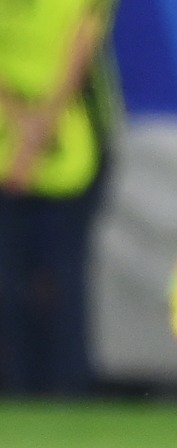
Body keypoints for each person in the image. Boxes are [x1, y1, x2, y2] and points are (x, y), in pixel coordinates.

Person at [0, 0, 121, 397]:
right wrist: (19, 122)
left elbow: (81, 52)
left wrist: (35, 134)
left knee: (63, 276)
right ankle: (15, 387)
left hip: (76, 140)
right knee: (8, 277)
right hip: (11, 139)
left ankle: (67, 389)